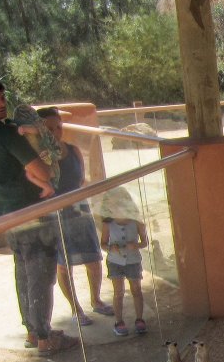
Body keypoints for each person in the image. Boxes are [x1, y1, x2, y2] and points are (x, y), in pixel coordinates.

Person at [0, 75, 78, 357]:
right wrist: (47, 168)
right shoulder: (3, 134)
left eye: (2, 98)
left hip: (6, 212)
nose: (1, 104)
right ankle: (44, 337)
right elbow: (43, 171)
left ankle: (33, 329)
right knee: (41, 274)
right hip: (31, 209)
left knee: (24, 271)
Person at [36, 107, 114, 326]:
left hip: (79, 210)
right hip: (55, 214)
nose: (55, 132)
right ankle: (75, 308)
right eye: (49, 128)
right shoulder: (39, 159)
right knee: (64, 264)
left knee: (93, 258)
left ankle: (96, 300)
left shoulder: (73, 150)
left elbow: (81, 181)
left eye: (58, 127)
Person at [99, 188, 149, 337]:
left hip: (133, 260)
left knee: (136, 290)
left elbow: (145, 241)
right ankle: (119, 321)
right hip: (115, 261)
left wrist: (137, 245)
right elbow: (102, 244)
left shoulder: (137, 222)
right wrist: (109, 248)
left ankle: (140, 319)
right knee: (118, 292)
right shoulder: (108, 224)